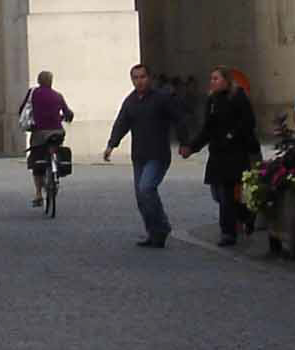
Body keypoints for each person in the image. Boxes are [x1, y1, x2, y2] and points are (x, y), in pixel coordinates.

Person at [180, 69, 260, 246]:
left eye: (216, 78)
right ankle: (246, 215)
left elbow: (248, 122)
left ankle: (228, 233)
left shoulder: (238, 97)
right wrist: (192, 147)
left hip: (235, 153)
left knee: (226, 193)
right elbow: (207, 129)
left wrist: (232, 135)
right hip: (217, 153)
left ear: (226, 80)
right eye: (211, 78)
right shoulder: (212, 100)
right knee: (218, 194)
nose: (212, 81)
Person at [103, 63, 179, 248]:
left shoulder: (161, 98)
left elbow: (179, 118)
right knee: (141, 197)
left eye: (142, 77)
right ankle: (154, 233)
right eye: (135, 78)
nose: (139, 81)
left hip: (158, 154)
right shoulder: (130, 101)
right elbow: (121, 123)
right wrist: (111, 144)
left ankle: (162, 227)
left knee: (146, 189)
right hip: (139, 155)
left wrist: (185, 143)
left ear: (149, 78)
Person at [17, 70, 74, 209]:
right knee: (55, 147)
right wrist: (65, 117)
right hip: (57, 131)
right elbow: (68, 113)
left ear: (39, 81)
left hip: (39, 132)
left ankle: (38, 194)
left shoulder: (33, 93)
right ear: (51, 82)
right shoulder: (57, 96)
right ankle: (55, 169)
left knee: (36, 161)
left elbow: (22, 109)